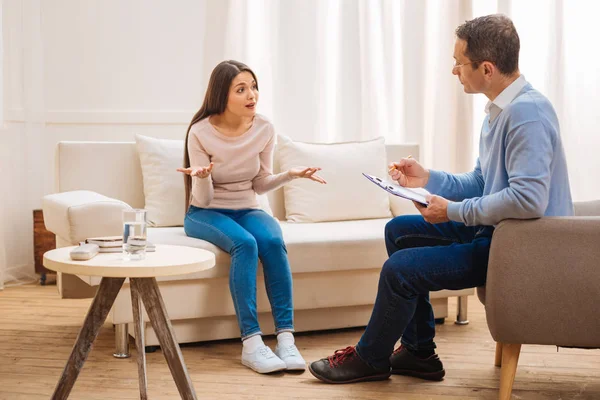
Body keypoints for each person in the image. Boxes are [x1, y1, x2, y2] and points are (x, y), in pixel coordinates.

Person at [308, 14, 574, 384]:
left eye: (458, 63)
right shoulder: (500, 111)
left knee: (400, 270)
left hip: (522, 250)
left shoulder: (527, 114)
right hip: (499, 235)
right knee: (399, 231)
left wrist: (452, 211)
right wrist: (427, 178)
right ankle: (419, 353)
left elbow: (528, 200)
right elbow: (483, 181)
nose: (454, 70)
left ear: (486, 68)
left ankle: (371, 358)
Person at [178, 60, 326, 374]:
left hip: (247, 207)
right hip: (205, 212)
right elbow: (202, 198)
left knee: (272, 240)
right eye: (241, 89)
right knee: (245, 244)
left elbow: (259, 184)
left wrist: (289, 175)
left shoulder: (264, 128)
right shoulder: (201, 132)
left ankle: (286, 339)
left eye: (254, 87)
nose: (252, 95)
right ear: (222, 95)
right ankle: (252, 343)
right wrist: (203, 177)